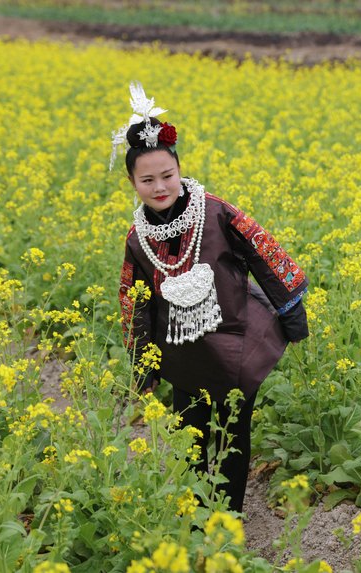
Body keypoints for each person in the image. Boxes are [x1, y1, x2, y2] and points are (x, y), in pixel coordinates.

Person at [113, 82, 309, 513]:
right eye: (148, 180)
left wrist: (292, 312)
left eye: (168, 175)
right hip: (184, 356)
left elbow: (266, 252)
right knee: (192, 433)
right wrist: (142, 368)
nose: (160, 186)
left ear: (179, 169)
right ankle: (202, 514)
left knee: (233, 434)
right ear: (132, 182)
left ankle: (229, 518)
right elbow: (135, 304)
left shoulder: (216, 212)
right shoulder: (137, 238)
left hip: (236, 343)